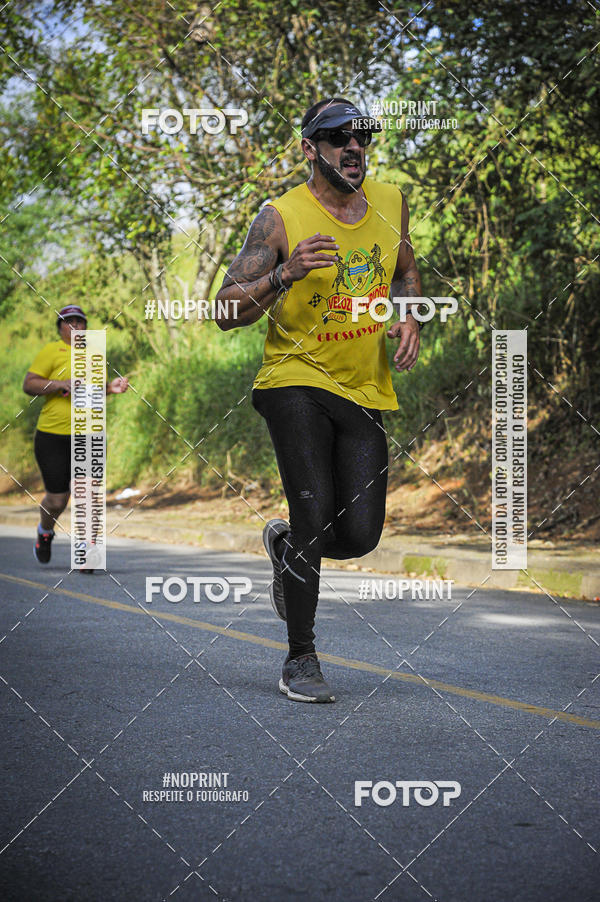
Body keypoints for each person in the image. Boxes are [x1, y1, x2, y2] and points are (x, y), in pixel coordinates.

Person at [216, 98, 423, 703]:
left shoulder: (391, 203)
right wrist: (285, 274)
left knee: (358, 535)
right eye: (338, 138)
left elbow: (405, 269)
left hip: (362, 388)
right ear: (310, 149)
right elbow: (225, 309)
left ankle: (287, 550)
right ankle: (299, 658)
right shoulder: (279, 218)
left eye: (362, 137)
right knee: (313, 509)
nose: (353, 147)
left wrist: (409, 315)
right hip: (293, 380)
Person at [23, 305, 129, 566]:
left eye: (80, 322)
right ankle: (45, 532)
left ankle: (86, 549)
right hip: (52, 435)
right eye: (68, 322)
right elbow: (30, 383)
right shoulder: (51, 351)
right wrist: (59, 384)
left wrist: (110, 389)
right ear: (59, 328)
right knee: (57, 499)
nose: (75, 327)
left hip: (89, 434)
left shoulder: (94, 355)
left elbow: (93, 391)